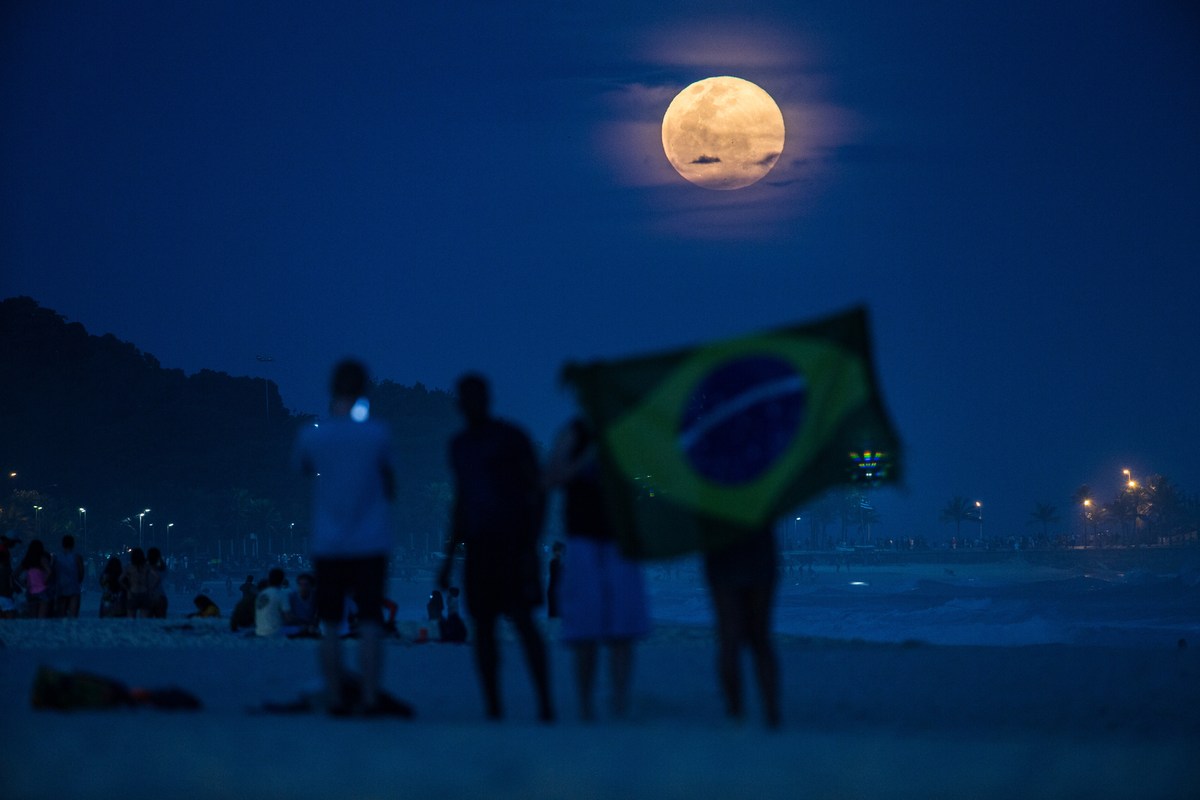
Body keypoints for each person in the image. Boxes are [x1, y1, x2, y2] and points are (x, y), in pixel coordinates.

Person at [438, 372, 553, 722]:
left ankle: (545, 705)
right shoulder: (459, 446)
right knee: (484, 628)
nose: (470, 404)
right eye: (465, 397)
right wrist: (448, 558)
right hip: (478, 549)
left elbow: (540, 489)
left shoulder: (512, 438)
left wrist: (531, 542)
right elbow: (461, 501)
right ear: (459, 403)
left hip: (513, 546)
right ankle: (493, 707)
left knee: (523, 623)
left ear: (487, 399)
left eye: (476, 397)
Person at [294, 358, 396, 715]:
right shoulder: (378, 434)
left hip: (329, 543)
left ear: (331, 389)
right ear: (365, 390)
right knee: (369, 623)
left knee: (331, 624)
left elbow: (304, 468)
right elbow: (390, 483)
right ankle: (369, 697)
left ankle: (336, 697)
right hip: (370, 542)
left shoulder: (313, 434)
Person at [544, 417, 651, 720]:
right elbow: (552, 477)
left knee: (623, 632)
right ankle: (586, 706)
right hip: (584, 541)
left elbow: (644, 479)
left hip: (619, 542)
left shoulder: (627, 431)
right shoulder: (574, 432)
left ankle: (620, 702)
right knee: (585, 631)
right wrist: (587, 455)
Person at [704, 526, 781, 729]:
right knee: (761, 639)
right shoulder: (760, 494)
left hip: (722, 549)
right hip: (759, 549)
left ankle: (735, 712)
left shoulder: (713, 494)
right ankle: (771, 714)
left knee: (729, 639)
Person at [18, 538, 54, 618]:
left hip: (31, 592)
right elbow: (50, 572)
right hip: (43, 592)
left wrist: (24, 585)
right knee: (42, 619)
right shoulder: (42, 559)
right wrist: (45, 582)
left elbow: (15, 575)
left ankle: (33, 630)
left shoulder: (27, 560)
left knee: (33, 619)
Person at [121, 547, 160, 620]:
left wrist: (127, 589)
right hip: (144, 592)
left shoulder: (129, 567)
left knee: (131, 619)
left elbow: (120, 579)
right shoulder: (146, 567)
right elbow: (157, 577)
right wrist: (150, 587)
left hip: (133, 592)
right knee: (144, 619)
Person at [53, 534, 85, 618]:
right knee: (73, 616)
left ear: (62, 544)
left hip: (61, 588)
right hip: (74, 587)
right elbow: (81, 574)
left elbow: (54, 573)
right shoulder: (77, 557)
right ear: (73, 544)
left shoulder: (57, 557)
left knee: (61, 614)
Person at [255, 567, 290, 637]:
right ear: (282, 579)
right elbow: (288, 617)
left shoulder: (263, 594)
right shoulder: (280, 594)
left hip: (260, 630)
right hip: (275, 631)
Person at [283, 573, 319, 637]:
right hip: (296, 626)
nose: (303, 587)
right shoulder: (292, 596)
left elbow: (317, 615)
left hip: (311, 627)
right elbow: (288, 617)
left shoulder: (315, 596)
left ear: (311, 586)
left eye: (306, 585)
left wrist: (312, 624)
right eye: (300, 584)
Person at [146, 547, 168, 618]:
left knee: (147, 623)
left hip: (148, 597)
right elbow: (163, 567)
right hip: (160, 596)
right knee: (161, 622)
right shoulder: (162, 569)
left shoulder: (144, 569)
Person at [546, 541, 564, 619]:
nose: (558, 553)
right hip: (554, 590)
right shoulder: (554, 562)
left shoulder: (558, 562)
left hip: (555, 590)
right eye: (557, 550)